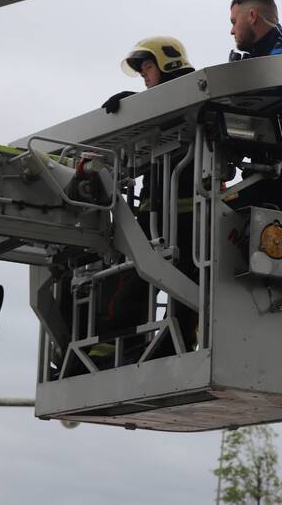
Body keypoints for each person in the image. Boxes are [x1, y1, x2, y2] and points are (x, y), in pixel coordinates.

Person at [94, 37, 198, 362]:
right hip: (156, 218)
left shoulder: (194, 94)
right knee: (132, 281)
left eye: (148, 67)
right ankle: (124, 351)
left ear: (168, 64)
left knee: (183, 288)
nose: (144, 75)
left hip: (187, 218)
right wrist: (134, 109)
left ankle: (130, 353)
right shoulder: (167, 102)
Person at [101, 36, 194, 113]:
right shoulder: (164, 111)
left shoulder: (198, 98)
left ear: (169, 66)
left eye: (148, 66)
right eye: (140, 69)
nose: (142, 74)